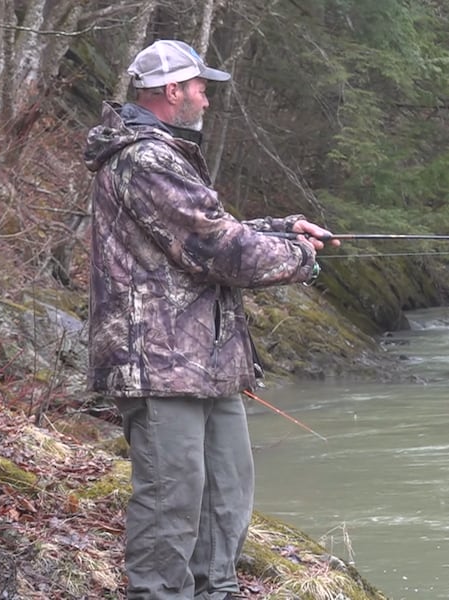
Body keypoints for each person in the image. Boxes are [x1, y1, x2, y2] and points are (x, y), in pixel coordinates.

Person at [82, 39, 338, 599]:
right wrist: (303, 260)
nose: (206, 97)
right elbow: (218, 249)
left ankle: (215, 592)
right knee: (171, 497)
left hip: (206, 361)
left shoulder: (167, 154)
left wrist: (283, 229)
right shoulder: (145, 158)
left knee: (227, 491)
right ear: (172, 91)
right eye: (200, 87)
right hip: (157, 362)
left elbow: (210, 228)